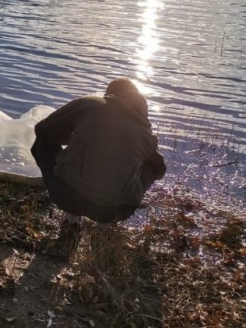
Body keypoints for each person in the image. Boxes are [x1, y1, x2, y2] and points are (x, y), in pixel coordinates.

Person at [30, 78, 166, 245]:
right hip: (117, 210)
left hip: (67, 195)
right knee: (150, 166)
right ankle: (103, 229)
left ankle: (71, 222)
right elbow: (159, 169)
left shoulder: (91, 104)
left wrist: (75, 137)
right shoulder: (147, 135)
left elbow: (43, 129)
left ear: (109, 94)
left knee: (42, 142)